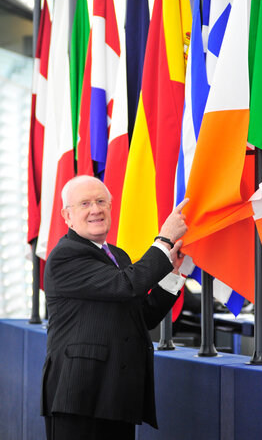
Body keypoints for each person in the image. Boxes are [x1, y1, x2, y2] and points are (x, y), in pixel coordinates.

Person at [41, 175, 189, 440]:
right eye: (84, 203)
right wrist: (164, 239)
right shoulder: (65, 255)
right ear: (67, 215)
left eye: (101, 201)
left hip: (117, 396)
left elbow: (143, 316)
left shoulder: (118, 256)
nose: (95, 209)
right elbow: (127, 285)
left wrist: (171, 274)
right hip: (80, 396)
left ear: (111, 206)